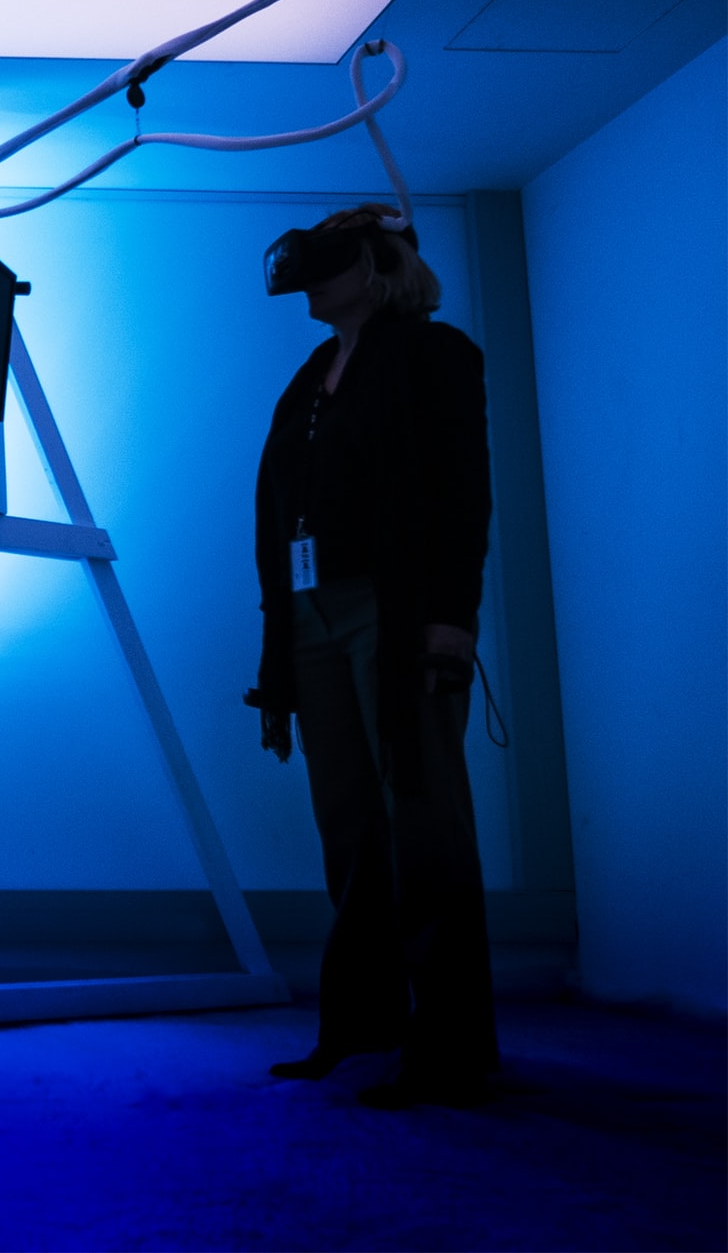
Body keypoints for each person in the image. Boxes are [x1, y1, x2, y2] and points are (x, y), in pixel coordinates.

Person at [247, 204, 498, 1108]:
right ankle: (365, 1023)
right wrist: (281, 644)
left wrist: (451, 620)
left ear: (377, 266)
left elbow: (464, 493)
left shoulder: (437, 356)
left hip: (393, 615)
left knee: (422, 823)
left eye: (329, 265)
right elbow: (280, 512)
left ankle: (454, 1048)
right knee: (350, 825)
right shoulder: (314, 374)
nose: (311, 281)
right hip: (313, 616)